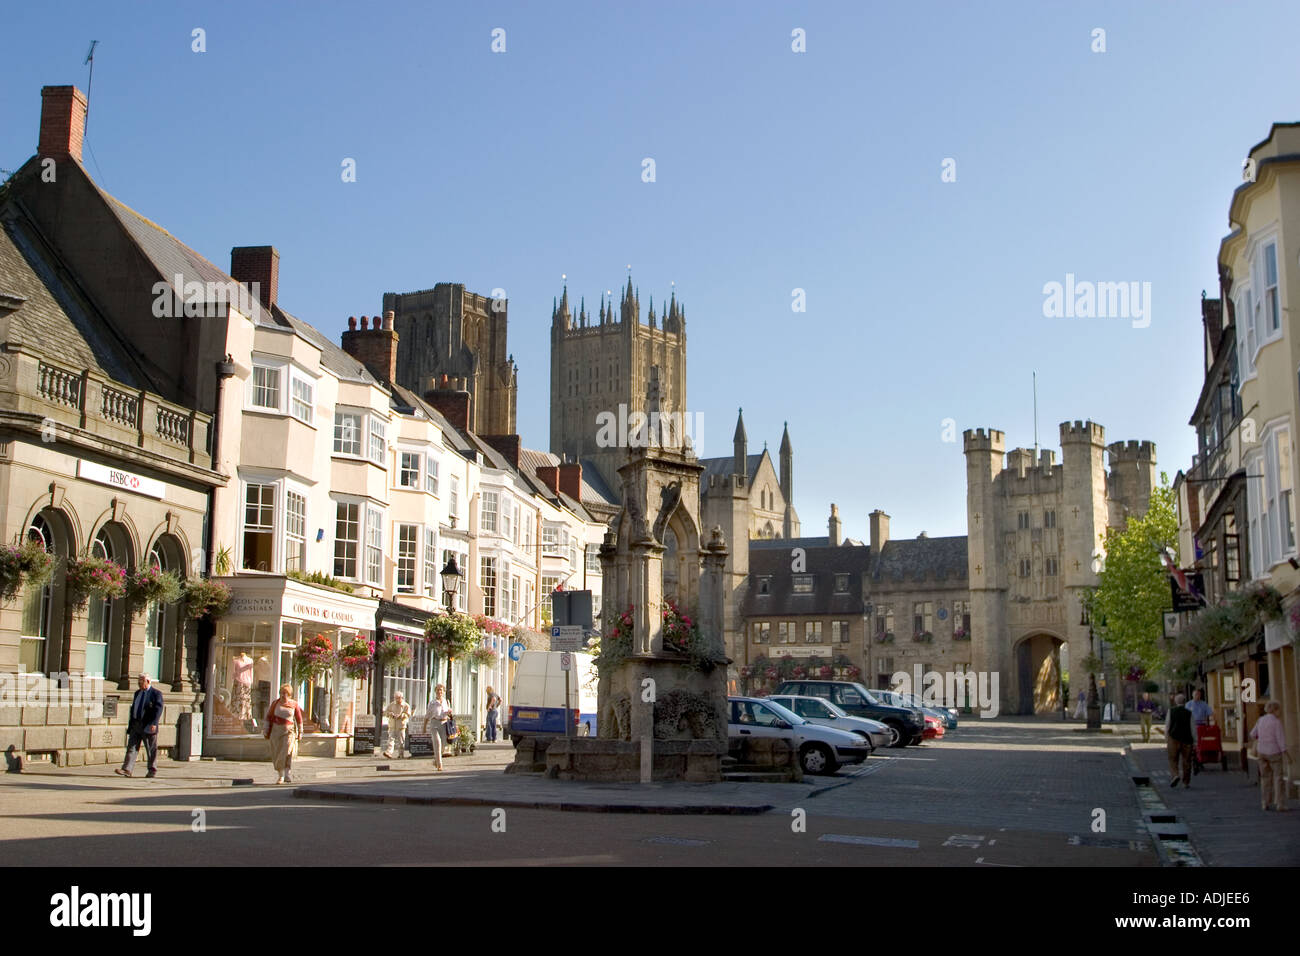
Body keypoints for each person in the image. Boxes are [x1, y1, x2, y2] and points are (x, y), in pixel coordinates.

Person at [115, 673, 164, 778]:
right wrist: (131, 725)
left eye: (141, 682)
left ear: (148, 682)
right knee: (131, 747)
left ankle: (152, 770)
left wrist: (153, 723)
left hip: (148, 725)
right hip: (136, 724)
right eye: (138, 682)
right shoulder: (137, 693)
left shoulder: (156, 694)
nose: (139, 684)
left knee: (151, 749)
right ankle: (127, 769)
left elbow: (158, 709)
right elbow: (134, 709)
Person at [1250, 700, 1289, 811]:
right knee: (1278, 778)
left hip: (1261, 752)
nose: (1280, 712)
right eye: (1279, 710)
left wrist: (1262, 739)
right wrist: (1287, 754)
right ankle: (1280, 803)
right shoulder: (1276, 722)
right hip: (1274, 753)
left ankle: (1265, 802)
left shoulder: (1260, 720)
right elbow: (1281, 740)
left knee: (1265, 778)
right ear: (1275, 710)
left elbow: (1253, 734)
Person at [263, 684, 304, 784]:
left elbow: (299, 719)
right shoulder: (275, 704)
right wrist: (266, 729)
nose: (283, 695)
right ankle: (281, 775)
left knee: (286, 752)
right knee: (277, 753)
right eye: (281, 693)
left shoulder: (294, 704)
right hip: (276, 732)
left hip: (289, 732)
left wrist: (300, 731)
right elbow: (268, 717)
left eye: (285, 693)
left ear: (289, 695)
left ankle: (287, 774)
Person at [1166, 693, 1195, 789]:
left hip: (1173, 738)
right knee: (1186, 761)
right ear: (1185, 702)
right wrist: (1195, 740)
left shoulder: (1171, 711)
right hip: (1186, 739)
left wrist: (1167, 738)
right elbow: (1192, 728)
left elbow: (1167, 725)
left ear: (1175, 701)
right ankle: (1186, 782)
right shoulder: (1189, 713)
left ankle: (1175, 775)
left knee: (1173, 759)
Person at [1187, 688, 1214, 774]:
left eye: (1198, 695)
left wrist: (1212, 720)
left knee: (1201, 743)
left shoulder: (1204, 704)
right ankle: (1193, 759)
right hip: (1192, 726)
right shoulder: (1189, 704)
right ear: (1192, 695)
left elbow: (1210, 713)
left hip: (1202, 726)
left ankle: (1200, 759)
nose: (1197, 696)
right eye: (1195, 695)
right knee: (1192, 744)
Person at [427, 684, 450, 771]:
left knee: (443, 745)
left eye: (441, 690)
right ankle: (440, 764)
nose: (439, 692)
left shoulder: (446, 701)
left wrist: (449, 712)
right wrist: (424, 726)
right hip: (434, 723)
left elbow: (448, 713)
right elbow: (427, 714)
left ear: (444, 692)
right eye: (437, 690)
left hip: (444, 723)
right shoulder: (432, 702)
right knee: (437, 743)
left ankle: (436, 760)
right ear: (435, 691)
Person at [383, 692, 411, 759]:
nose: (397, 700)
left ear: (402, 698)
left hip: (401, 725)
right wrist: (390, 714)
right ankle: (389, 752)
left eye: (398, 698)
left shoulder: (406, 705)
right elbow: (386, 712)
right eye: (396, 698)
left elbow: (408, 714)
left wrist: (402, 715)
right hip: (392, 724)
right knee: (391, 739)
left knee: (401, 741)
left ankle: (401, 754)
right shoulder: (392, 705)